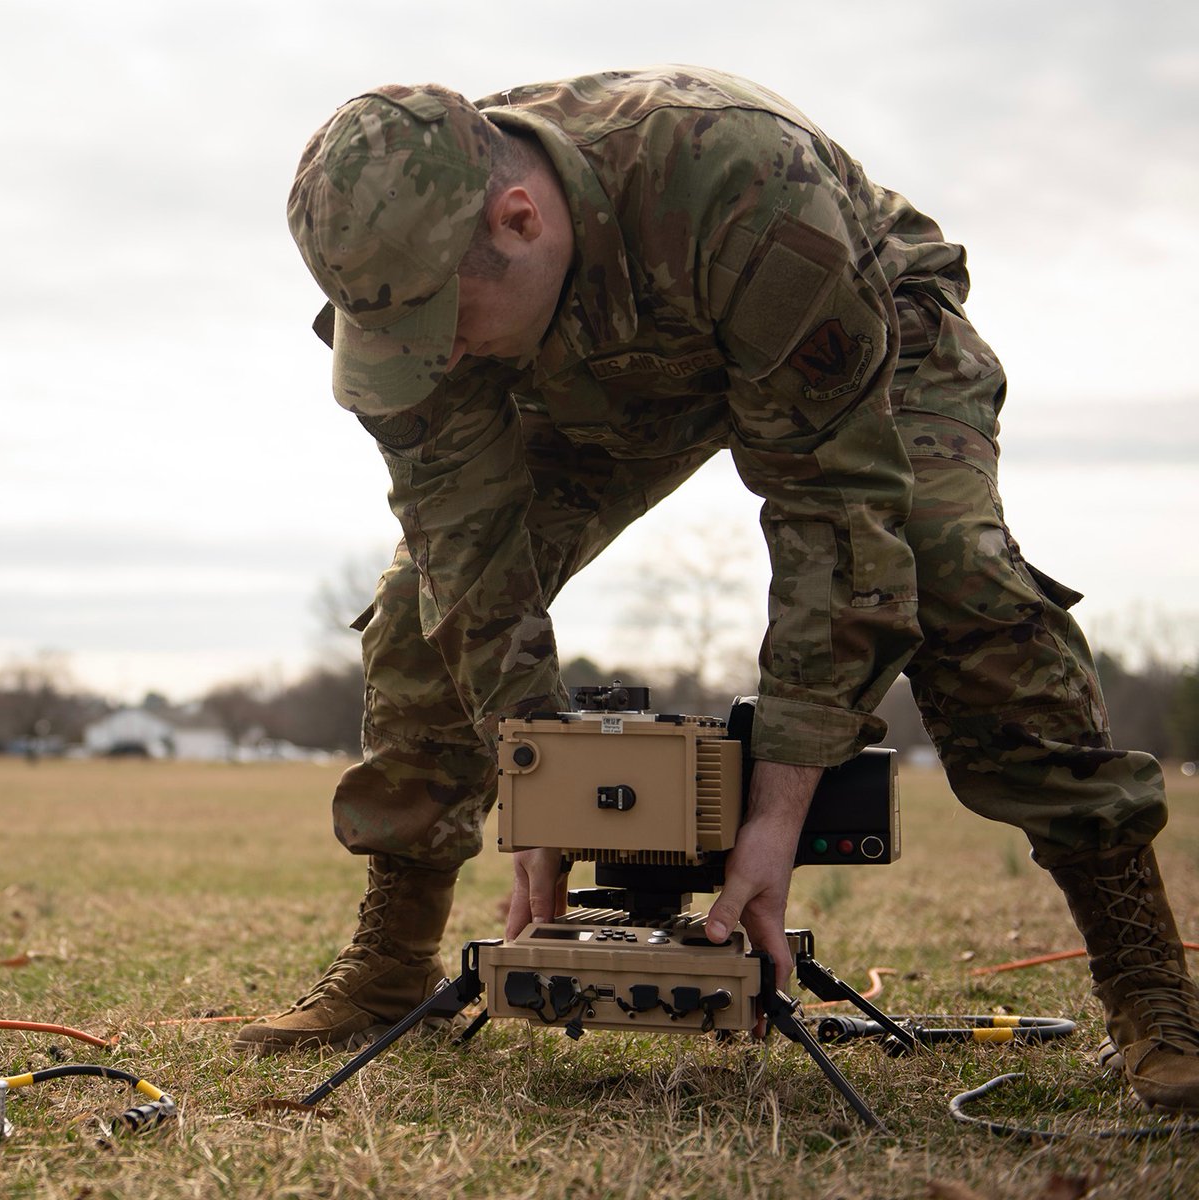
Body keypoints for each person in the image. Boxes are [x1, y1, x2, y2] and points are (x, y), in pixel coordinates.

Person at [233, 67, 1199, 1112]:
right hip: (593, 365)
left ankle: (1149, 985)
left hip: (857, 323)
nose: (438, 352)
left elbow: (835, 517)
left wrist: (777, 816)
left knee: (953, 574)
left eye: (444, 319)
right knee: (422, 615)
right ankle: (389, 967)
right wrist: (540, 783)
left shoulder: (740, 184)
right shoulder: (413, 295)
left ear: (518, 219)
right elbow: (464, 553)